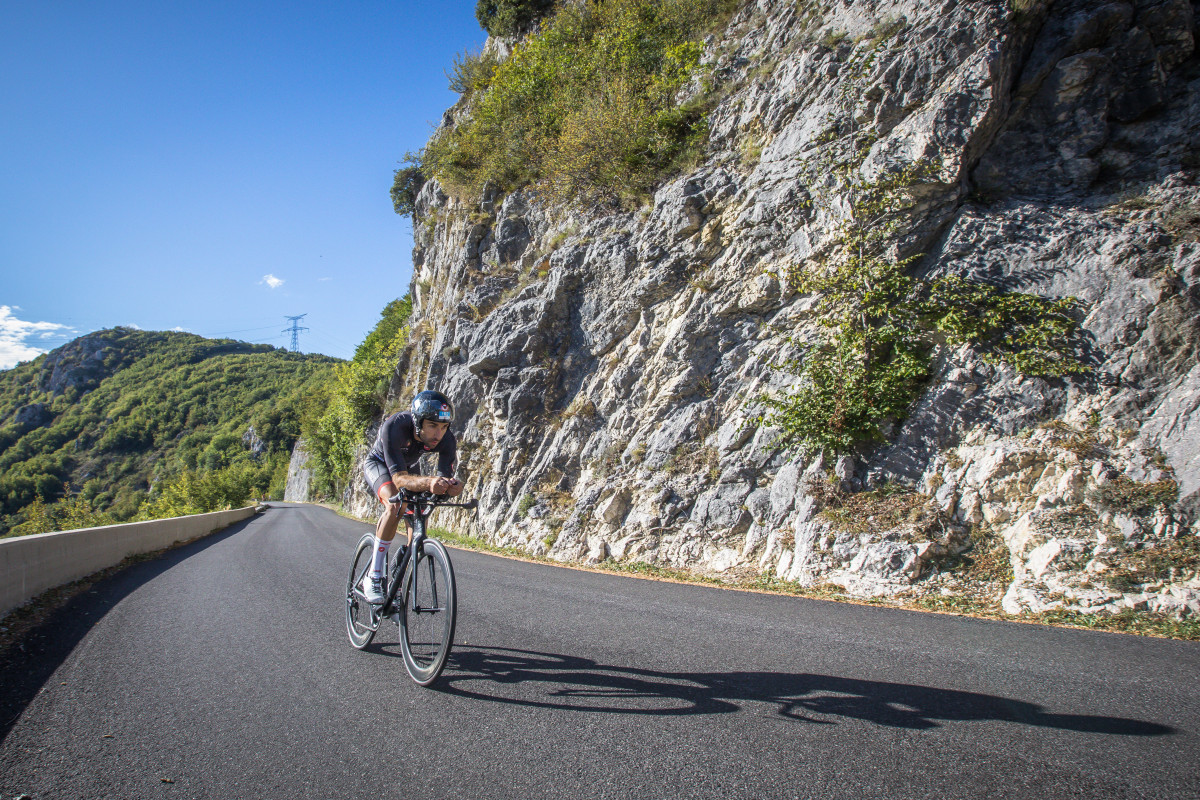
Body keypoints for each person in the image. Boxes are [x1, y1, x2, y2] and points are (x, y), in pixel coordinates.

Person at [360, 389, 464, 604]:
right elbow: (399, 480)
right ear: (417, 422)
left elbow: (444, 478)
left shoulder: (447, 440)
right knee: (395, 504)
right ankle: (374, 575)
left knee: (419, 517)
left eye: (444, 427)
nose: (439, 434)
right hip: (380, 465)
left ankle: (400, 574)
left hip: (408, 467)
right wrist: (429, 482)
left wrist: (451, 487)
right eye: (432, 426)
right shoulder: (395, 426)